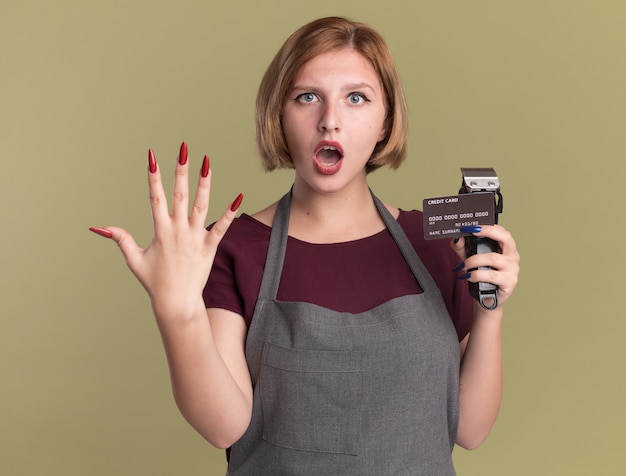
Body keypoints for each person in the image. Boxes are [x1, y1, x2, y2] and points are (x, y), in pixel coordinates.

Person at [90, 16, 520, 475]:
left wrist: (489, 309)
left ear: (384, 122)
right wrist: (178, 312)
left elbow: (470, 430)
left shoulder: (436, 244)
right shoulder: (230, 246)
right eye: (307, 97)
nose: (329, 121)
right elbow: (225, 427)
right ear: (279, 113)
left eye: (356, 98)